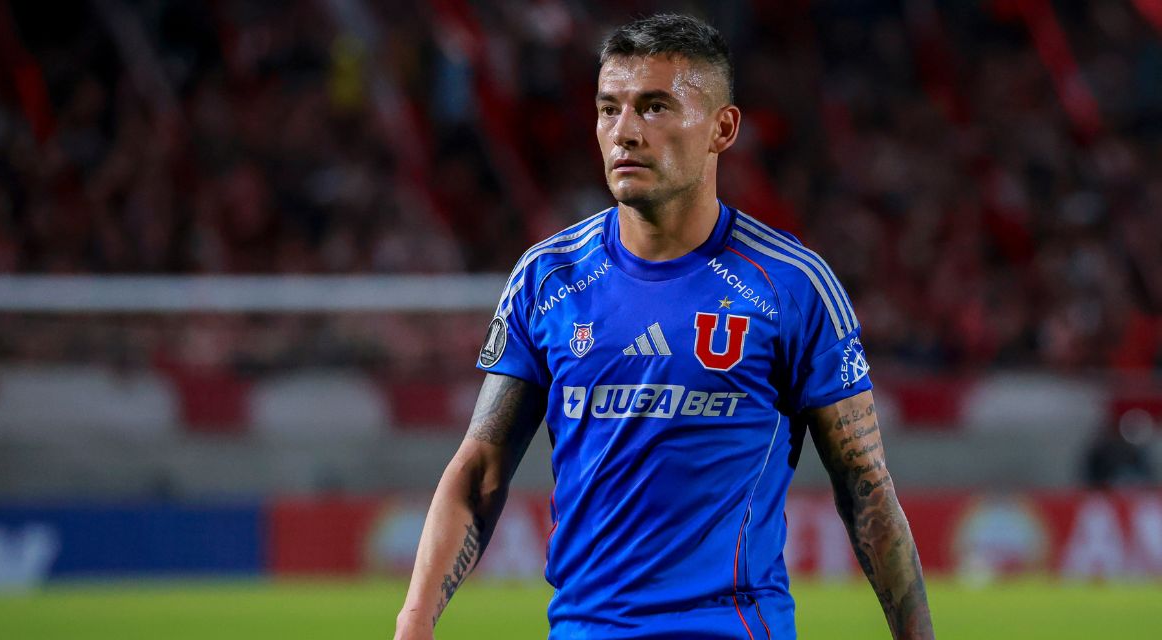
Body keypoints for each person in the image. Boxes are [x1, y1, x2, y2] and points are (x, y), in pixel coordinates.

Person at [395, 13, 934, 639]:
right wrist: (415, 620)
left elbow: (866, 489)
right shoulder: (548, 278)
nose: (624, 132)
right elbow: (480, 470)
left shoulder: (791, 286)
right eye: (609, 109)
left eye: (654, 107)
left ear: (722, 129)